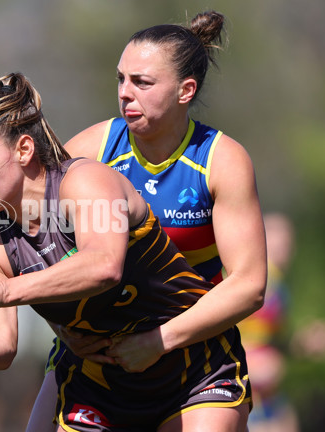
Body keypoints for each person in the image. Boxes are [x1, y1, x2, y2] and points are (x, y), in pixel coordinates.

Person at [0, 72, 257, 431]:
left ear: (24, 150)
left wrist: (7, 291)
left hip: (192, 370)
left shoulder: (85, 181)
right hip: (98, 386)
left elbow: (104, 266)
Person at [26, 10, 268, 432]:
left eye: (142, 82)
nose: (125, 93)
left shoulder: (220, 161)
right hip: (99, 362)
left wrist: (158, 342)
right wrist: (62, 326)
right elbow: (31, 243)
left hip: (197, 363)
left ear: (185, 90)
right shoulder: (93, 149)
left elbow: (248, 285)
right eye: (121, 79)